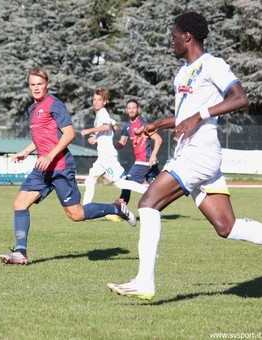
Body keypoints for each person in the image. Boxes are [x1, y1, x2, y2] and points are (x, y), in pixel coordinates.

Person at [108, 12, 262, 301]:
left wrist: (200, 115)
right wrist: (158, 124)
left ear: (187, 36)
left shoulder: (212, 65)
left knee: (148, 203)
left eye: (174, 36)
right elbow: (184, 117)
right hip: (191, 154)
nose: (172, 41)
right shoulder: (182, 73)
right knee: (227, 227)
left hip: (200, 153)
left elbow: (240, 98)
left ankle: (145, 281)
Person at [0, 67, 137, 265]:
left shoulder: (54, 104)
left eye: (39, 84)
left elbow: (69, 134)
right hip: (43, 168)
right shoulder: (32, 108)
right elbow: (44, 137)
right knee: (20, 203)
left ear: (47, 84)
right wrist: (27, 151)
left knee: (76, 215)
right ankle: (21, 252)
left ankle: (116, 208)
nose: (36, 88)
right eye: (32, 84)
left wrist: (50, 156)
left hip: (60, 166)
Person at [80, 88, 148, 206]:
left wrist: (89, 130)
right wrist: (97, 137)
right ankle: (85, 210)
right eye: (94, 99)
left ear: (104, 102)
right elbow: (113, 127)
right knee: (89, 181)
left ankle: (148, 192)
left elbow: (106, 127)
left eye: (99, 100)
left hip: (108, 157)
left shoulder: (103, 113)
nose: (96, 102)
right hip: (102, 158)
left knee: (121, 183)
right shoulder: (100, 115)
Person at [114, 99, 162, 204]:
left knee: (127, 182)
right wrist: (108, 147)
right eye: (129, 108)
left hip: (144, 161)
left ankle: (121, 207)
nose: (131, 110)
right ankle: (154, 206)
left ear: (138, 109)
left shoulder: (143, 124)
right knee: (158, 189)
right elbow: (122, 143)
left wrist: (153, 155)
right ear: (126, 110)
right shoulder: (127, 126)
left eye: (134, 108)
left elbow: (158, 139)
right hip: (147, 163)